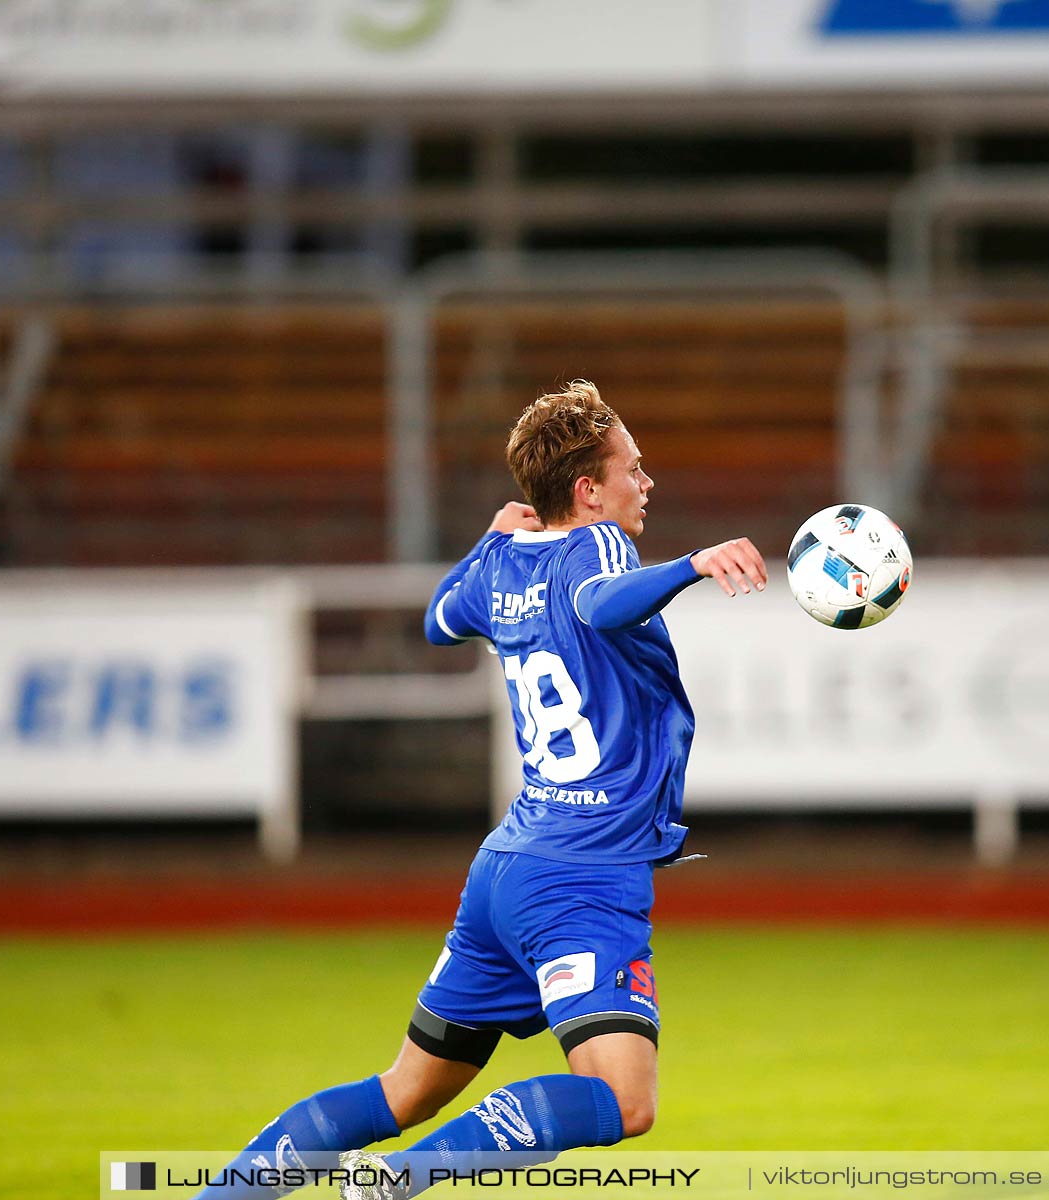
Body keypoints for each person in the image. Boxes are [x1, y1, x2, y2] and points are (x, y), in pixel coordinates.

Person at [194, 381, 766, 1200]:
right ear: (587, 491)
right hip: (582, 874)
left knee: (406, 1091)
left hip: (506, 871)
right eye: (634, 469)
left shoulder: (503, 559)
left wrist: (486, 540)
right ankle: (399, 1183)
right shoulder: (598, 547)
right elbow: (602, 604)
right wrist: (692, 566)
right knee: (625, 1100)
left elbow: (438, 619)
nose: (648, 484)